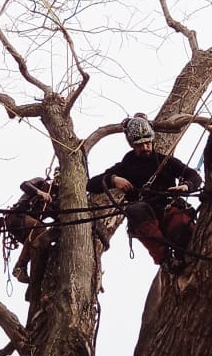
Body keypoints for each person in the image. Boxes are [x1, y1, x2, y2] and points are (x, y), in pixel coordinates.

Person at [86, 113, 202, 270]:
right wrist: (113, 179)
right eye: (140, 145)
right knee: (135, 209)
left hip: (170, 211)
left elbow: (193, 175)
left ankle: (185, 255)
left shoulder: (165, 162)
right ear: (133, 146)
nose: (145, 147)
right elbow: (91, 184)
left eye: (148, 143)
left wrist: (186, 186)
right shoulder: (125, 167)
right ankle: (166, 259)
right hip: (145, 218)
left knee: (182, 230)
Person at [0, 174, 55, 288]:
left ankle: (35, 285)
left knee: (41, 246)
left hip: (27, 229)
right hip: (17, 217)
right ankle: (20, 266)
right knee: (40, 228)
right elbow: (24, 185)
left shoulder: (56, 201)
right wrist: (40, 193)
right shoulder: (42, 183)